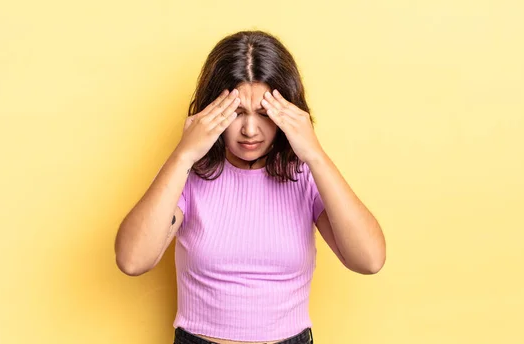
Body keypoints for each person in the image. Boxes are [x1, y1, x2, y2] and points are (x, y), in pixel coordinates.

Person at [114, 30, 386, 344]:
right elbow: (132, 260)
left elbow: (369, 260)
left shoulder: (305, 176)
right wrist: (183, 154)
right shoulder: (188, 176)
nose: (250, 130)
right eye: (237, 113)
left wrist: (314, 153)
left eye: (265, 114)